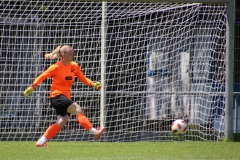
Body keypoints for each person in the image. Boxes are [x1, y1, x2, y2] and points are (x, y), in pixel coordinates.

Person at [24, 45, 106, 147]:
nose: (73, 55)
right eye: (70, 53)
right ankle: (94, 132)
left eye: (73, 53)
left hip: (65, 98)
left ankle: (41, 141)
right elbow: (42, 76)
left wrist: (93, 84)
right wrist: (32, 87)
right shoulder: (55, 67)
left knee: (62, 121)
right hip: (57, 97)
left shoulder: (74, 66)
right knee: (78, 109)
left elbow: (83, 78)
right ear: (63, 55)